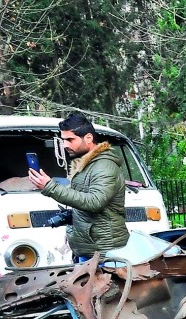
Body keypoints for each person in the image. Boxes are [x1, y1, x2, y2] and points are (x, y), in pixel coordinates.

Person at [27, 111, 127, 263]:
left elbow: (95, 202)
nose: (65, 145)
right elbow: (82, 201)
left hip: (105, 253)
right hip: (90, 250)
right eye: (63, 140)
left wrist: (50, 187)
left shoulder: (104, 166)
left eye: (70, 140)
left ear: (88, 138)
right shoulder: (85, 165)